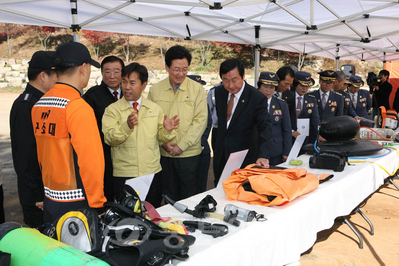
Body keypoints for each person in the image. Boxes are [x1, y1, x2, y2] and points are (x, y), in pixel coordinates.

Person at [31, 42, 106, 222]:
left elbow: (42, 155)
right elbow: (91, 160)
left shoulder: (39, 104)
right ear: (83, 68)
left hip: (51, 196)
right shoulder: (77, 106)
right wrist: (97, 203)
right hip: (78, 201)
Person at [102, 62, 179, 205]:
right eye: (124, 82)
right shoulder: (112, 110)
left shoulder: (154, 109)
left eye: (132, 83)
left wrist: (167, 130)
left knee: (152, 213)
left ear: (144, 85)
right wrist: (126, 126)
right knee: (127, 219)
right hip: (125, 174)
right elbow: (109, 138)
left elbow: (160, 138)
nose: (126, 87)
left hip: (152, 173)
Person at [148, 45, 207, 201]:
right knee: (167, 197)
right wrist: (162, 143)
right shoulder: (155, 90)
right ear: (167, 67)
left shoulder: (197, 90)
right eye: (176, 69)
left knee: (189, 197)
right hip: (164, 155)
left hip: (189, 155)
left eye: (185, 69)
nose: (181, 74)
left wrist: (182, 145)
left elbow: (200, 121)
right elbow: (150, 121)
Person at [10, 51, 57, 227]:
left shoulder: (44, 102)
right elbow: (26, 156)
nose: (58, 80)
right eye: (56, 75)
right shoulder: (26, 105)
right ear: (43, 76)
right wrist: (38, 194)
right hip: (37, 197)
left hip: (48, 191)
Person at [213, 58, 272, 184]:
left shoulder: (256, 97)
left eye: (234, 80)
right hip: (221, 155)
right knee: (219, 189)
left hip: (244, 157)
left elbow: (265, 127)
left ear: (243, 76)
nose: (231, 85)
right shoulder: (219, 92)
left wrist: (263, 155)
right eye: (226, 80)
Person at [83, 56, 125, 202]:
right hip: (103, 156)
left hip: (127, 156)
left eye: (116, 71)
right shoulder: (92, 96)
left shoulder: (130, 93)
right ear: (102, 73)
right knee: (106, 195)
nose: (112, 76)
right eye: (107, 72)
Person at [257, 71, 292, 166]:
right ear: (259, 86)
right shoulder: (251, 103)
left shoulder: (281, 104)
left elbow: (287, 129)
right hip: (256, 150)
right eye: (265, 87)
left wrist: (287, 151)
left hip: (275, 150)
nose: (268, 90)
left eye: (271, 87)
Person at [188, 75, 212, 193]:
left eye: (201, 87)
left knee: (201, 185)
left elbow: (208, 125)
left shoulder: (204, 103)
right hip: (185, 151)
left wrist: (200, 143)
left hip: (202, 149)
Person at [291, 71, 321, 144]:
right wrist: (291, 131)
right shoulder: (288, 97)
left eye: (307, 86)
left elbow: (315, 119)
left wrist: (319, 133)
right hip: (289, 137)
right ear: (296, 85)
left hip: (304, 137)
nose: (304, 89)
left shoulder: (311, 99)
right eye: (302, 86)